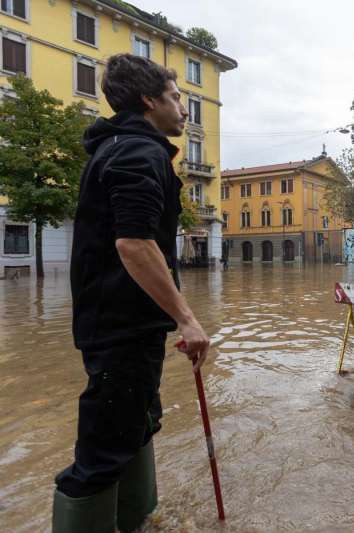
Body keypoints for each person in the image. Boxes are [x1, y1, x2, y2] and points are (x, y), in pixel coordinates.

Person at [53, 54, 210, 533]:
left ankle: (139, 521)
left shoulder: (127, 147)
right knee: (102, 451)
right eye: (176, 97)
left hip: (126, 325)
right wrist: (186, 318)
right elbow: (134, 243)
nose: (184, 108)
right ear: (149, 100)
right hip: (120, 328)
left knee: (137, 423)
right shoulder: (136, 153)